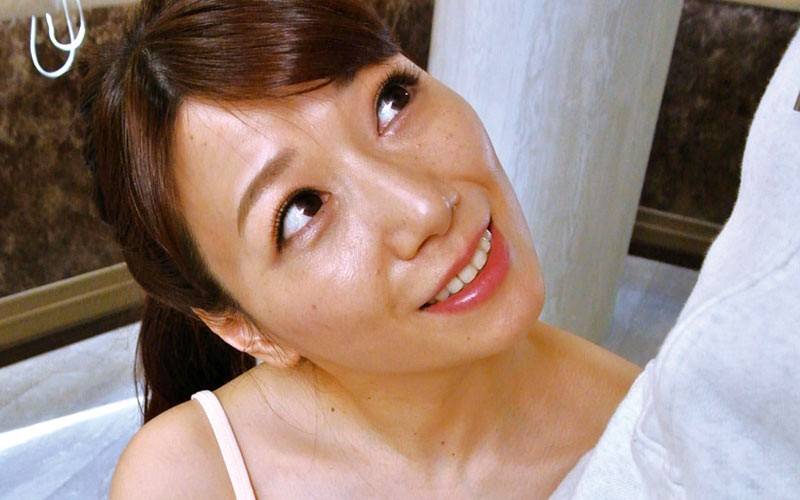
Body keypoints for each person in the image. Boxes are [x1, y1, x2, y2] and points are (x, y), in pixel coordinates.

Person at [80, 0, 639, 498]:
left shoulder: (645, 437)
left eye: (392, 101)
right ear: (244, 328)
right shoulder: (188, 481)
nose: (425, 208)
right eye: (302, 209)